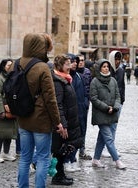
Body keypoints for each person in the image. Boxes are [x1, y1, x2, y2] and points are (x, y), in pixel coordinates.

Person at [17, 33, 66, 188]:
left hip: (23, 119)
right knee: (43, 158)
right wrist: (57, 122)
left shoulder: (16, 63)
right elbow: (51, 99)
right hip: (41, 122)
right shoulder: (42, 67)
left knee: (25, 158)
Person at [51, 54, 83, 185]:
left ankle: (61, 173)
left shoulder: (66, 79)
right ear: (60, 66)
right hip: (63, 123)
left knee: (64, 149)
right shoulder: (58, 82)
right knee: (60, 149)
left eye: (70, 63)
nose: (70, 66)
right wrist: (62, 123)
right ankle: (58, 176)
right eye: (67, 64)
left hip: (70, 121)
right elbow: (58, 104)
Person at [90, 58, 126, 170]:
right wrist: (106, 108)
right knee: (109, 138)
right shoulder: (95, 81)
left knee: (102, 138)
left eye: (107, 67)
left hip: (112, 113)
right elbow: (94, 98)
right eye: (104, 66)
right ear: (100, 68)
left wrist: (115, 107)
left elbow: (117, 96)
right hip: (101, 114)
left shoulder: (113, 81)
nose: (106, 69)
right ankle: (117, 161)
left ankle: (96, 159)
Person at [0, 59, 17, 163]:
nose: (10, 67)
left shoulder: (11, 78)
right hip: (0, 109)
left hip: (10, 110)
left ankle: (6, 153)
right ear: (3, 66)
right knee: (0, 132)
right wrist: (1, 111)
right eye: (8, 65)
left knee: (9, 132)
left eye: (12, 65)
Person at [63, 53, 85, 172]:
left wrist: (85, 105)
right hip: (69, 113)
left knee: (77, 138)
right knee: (68, 139)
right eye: (72, 61)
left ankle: (72, 159)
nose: (75, 63)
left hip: (80, 112)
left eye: (76, 61)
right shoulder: (64, 77)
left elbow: (84, 93)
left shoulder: (78, 76)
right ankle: (66, 161)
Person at [100, 50, 125, 158]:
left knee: (113, 126)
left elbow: (122, 86)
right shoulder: (106, 70)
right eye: (115, 59)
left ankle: (111, 146)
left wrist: (121, 100)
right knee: (106, 127)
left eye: (119, 59)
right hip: (107, 103)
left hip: (118, 103)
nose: (117, 62)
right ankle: (105, 148)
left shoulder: (121, 71)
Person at [76, 54, 92, 160]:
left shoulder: (87, 72)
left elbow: (90, 87)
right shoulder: (73, 72)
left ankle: (82, 150)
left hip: (84, 103)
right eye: (79, 61)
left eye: (82, 60)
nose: (81, 62)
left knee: (83, 127)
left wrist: (88, 101)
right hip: (75, 103)